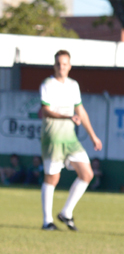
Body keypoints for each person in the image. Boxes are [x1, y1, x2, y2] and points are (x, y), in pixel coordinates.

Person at [40, 49, 102, 232]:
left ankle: (66, 212)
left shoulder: (73, 85)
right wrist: (67, 117)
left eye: (65, 64)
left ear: (70, 66)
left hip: (70, 138)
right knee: (52, 178)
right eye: (58, 64)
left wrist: (93, 136)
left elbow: (80, 111)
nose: (61, 67)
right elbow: (45, 110)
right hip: (53, 137)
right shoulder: (48, 84)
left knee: (87, 174)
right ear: (54, 65)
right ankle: (47, 221)